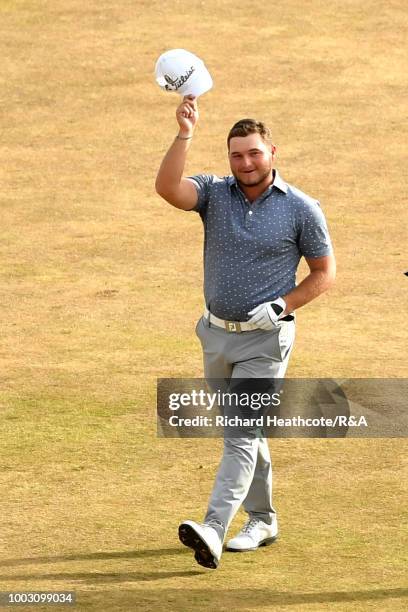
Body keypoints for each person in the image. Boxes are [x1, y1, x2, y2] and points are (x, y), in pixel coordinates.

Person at [155, 95, 336, 569]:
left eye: (254, 152)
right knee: (245, 432)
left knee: (239, 432)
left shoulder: (301, 208)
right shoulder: (214, 194)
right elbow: (167, 187)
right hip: (214, 335)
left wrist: (283, 305)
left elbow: (323, 272)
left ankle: (213, 528)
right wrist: (185, 132)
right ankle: (264, 518)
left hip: (266, 341)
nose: (246, 162)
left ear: (273, 152)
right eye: (237, 154)